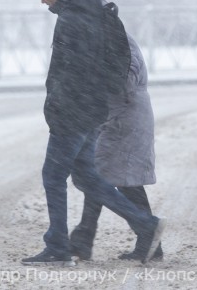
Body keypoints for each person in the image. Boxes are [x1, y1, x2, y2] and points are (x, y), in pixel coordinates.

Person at [21, 0, 165, 266]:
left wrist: (58, 109)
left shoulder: (71, 20)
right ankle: (145, 225)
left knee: (53, 176)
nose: (42, 1)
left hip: (73, 112)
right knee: (89, 177)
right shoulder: (92, 14)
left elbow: (71, 71)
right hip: (91, 111)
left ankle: (59, 245)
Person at [69, 32, 164, 261]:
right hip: (117, 116)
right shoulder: (106, 38)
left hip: (125, 117)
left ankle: (147, 235)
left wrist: (94, 81)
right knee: (103, 176)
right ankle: (87, 237)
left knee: (121, 179)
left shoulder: (116, 40)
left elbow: (125, 82)